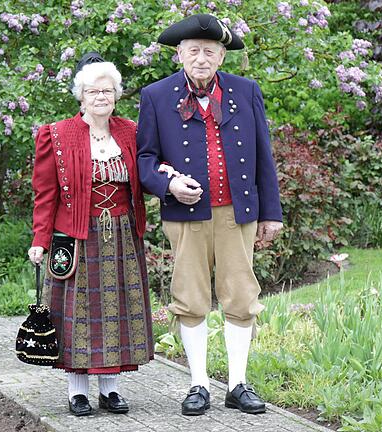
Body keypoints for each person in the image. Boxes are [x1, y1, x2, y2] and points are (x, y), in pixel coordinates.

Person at [137, 14, 284, 416]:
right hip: (186, 216)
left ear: (221, 56)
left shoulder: (246, 90)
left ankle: (237, 384)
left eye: (210, 51)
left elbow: (263, 156)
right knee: (190, 297)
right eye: (194, 51)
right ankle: (198, 383)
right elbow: (145, 158)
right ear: (180, 54)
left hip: (238, 213)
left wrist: (272, 212)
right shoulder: (155, 96)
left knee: (241, 295)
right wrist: (168, 186)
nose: (201, 58)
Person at [27, 53, 155, 417]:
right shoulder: (56, 134)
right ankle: (77, 392)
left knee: (117, 312)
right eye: (93, 91)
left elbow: (145, 174)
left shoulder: (130, 131)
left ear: (116, 95)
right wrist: (40, 239)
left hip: (122, 235)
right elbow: (45, 193)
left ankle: (111, 390)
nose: (101, 97)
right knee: (77, 315)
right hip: (77, 236)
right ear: (80, 96)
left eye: (108, 90)